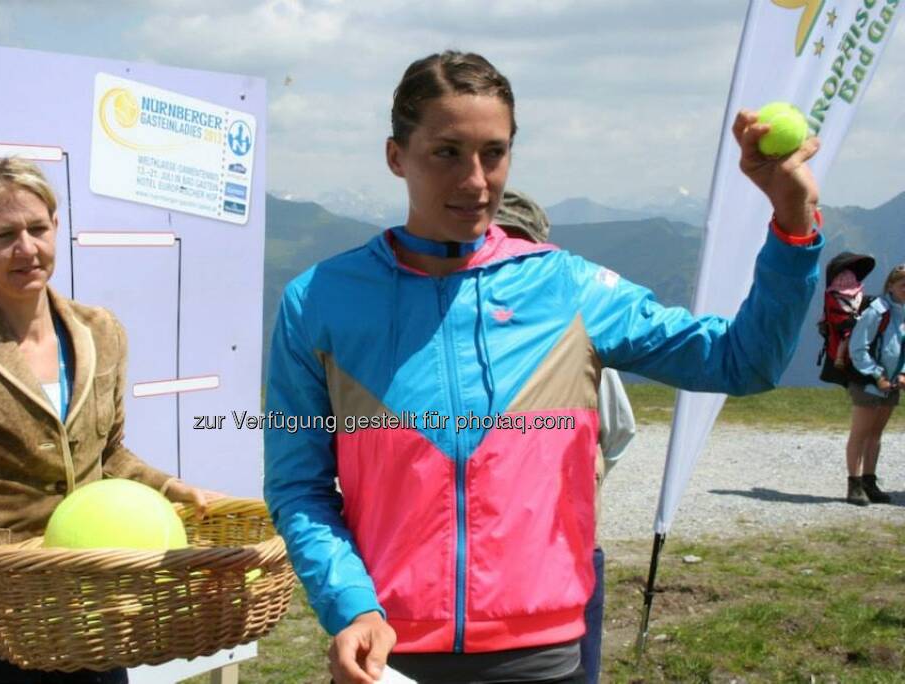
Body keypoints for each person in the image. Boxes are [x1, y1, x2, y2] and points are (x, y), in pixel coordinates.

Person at [264, 50, 823, 684]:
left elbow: (742, 360)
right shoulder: (318, 301)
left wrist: (793, 221)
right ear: (396, 156)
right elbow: (298, 487)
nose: (476, 180)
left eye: (493, 153)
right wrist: (352, 606)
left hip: (544, 652)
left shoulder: (567, 288)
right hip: (388, 651)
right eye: (447, 152)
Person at [0, 158, 217, 684]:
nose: (27, 248)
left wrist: (172, 488)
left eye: (38, 228)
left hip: (88, 613)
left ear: (57, 227)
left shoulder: (101, 332)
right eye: (4, 235)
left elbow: (107, 457)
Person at [495, 189, 636, 683]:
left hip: (561, 557)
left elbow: (614, 433)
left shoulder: (575, 336)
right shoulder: (573, 335)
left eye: (516, 248)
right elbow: (619, 433)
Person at [844, 263, 905, 505]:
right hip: (869, 382)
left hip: (891, 384)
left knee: (876, 434)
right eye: (903, 285)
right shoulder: (877, 311)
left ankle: (869, 481)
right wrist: (876, 375)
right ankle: (854, 484)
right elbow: (857, 348)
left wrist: (902, 374)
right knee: (860, 433)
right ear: (890, 285)